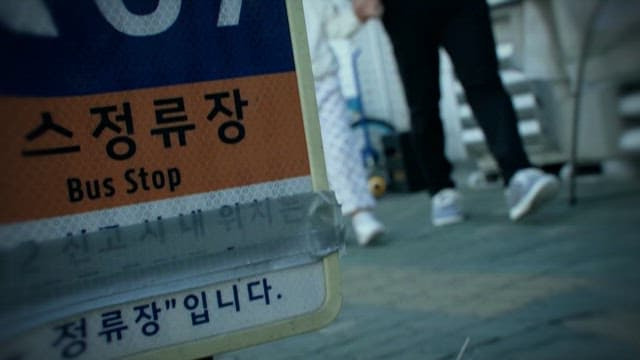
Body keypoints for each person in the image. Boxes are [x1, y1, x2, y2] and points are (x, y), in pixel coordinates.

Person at [380, 0, 559, 225]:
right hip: (404, 10)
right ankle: (441, 190)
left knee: (485, 83)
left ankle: (517, 174)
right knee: (422, 103)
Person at [302, 0, 386, 245]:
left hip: (322, 77)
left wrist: (358, 16)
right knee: (299, 161)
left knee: (340, 149)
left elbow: (333, 26)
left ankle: (361, 216)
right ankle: (318, 225)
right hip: (277, 82)